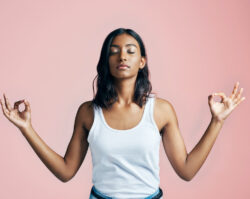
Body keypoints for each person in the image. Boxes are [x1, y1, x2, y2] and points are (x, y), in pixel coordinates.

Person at [0, 28, 246, 199]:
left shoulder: (161, 110)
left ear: (142, 61)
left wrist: (217, 121)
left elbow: (186, 170)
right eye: (114, 51)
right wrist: (26, 128)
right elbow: (66, 171)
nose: (122, 56)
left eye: (130, 50)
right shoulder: (88, 112)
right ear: (106, 60)